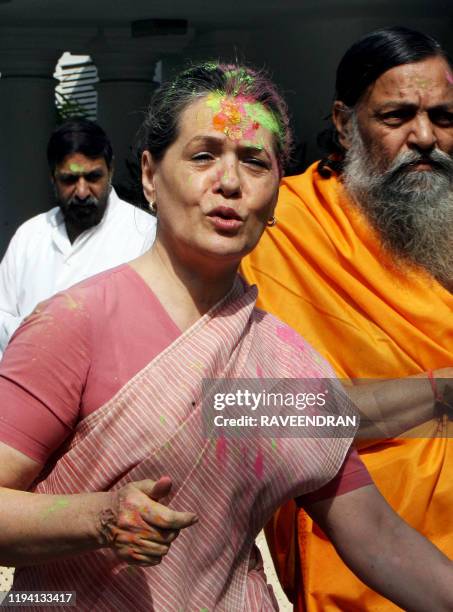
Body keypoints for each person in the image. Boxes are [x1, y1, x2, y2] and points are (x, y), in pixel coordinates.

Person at [0, 63, 453, 612]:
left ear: (277, 194)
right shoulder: (75, 322)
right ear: (149, 175)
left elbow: (376, 538)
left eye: (255, 162)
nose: (231, 183)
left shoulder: (286, 360)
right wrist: (97, 517)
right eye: (203, 155)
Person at [241, 27, 453, 610]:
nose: (426, 138)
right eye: (397, 116)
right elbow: (240, 410)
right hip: (365, 562)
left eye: (445, 116)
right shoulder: (277, 227)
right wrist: (438, 395)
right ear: (343, 122)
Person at [0, 119, 157, 357]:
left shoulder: (145, 234)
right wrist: (33, 332)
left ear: (110, 170)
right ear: (53, 178)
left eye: (93, 177)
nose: (82, 192)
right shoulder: (29, 236)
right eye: (70, 180)